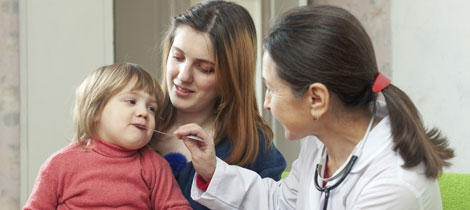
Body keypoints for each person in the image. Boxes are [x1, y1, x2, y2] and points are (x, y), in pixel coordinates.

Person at [174, 5, 455, 210]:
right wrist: (212, 170)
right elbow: (281, 202)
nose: (266, 103)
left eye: (271, 89)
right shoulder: (322, 143)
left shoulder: (393, 187)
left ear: (317, 99)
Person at [150, 0, 286, 209]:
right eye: (177, 57)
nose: (183, 76)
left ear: (231, 77)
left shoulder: (254, 149)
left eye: (204, 68)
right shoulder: (135, 121)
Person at [24, 63, 191, 210]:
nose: (143, 113)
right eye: (131, 101)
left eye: (151, 108)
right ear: (96, 111)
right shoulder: (59, 164)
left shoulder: (155, 166)